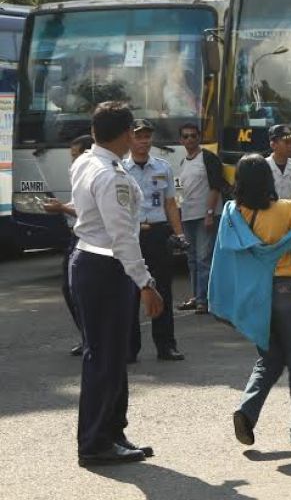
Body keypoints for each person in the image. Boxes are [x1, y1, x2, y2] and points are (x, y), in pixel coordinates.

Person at [210, 154, 291, 446]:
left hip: (252, 294)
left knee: (270, 357)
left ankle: (247, 411)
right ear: (269, 180)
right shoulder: (288, 210)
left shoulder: (232, 213)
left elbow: (223, 258)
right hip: (286, 290)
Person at [69, 102, 164, 466]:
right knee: (105, 358)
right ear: (126, 134)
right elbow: (122, 236)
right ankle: (95, 442)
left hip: (92, 262)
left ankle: (111, 431)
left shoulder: (87, 162)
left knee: (111, 354)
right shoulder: (112, 175)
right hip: (106, 266)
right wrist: (145, 282)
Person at [123, 119, 186, 362]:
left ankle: (166, 345)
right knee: (130, 291)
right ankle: (129, 348)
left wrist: (179, 234)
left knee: (162, 291)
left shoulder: (163, 167)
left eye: (147, 137)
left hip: (159, 233)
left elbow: (171, 203)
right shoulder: (120, 169)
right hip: (131, 235)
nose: (143, 141)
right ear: (130, 139)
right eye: (139, 136)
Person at [45, 134, 93, 356]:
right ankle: (87, 336)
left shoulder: (96, 175)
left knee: (82, 290)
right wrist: (62, 205)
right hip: (75, 236)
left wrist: (62, 208)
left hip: (90, 240)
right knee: (70, 288)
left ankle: (94, 339)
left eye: (75, 156)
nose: (72, 161)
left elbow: (87, 211)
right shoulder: (79, 174)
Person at [175, 122, 225, 315]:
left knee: (204, 258)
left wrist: (210, 213)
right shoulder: (183, 163)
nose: (190, 139)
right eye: (186, 136)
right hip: (187, 216)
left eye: (193, 136)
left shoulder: (208, 158)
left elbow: (215, 187)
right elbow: (180, 193)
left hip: (205, 216)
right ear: (181, 140)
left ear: (199, 138)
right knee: (192, 259)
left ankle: (205, 300)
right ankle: (196, 296)